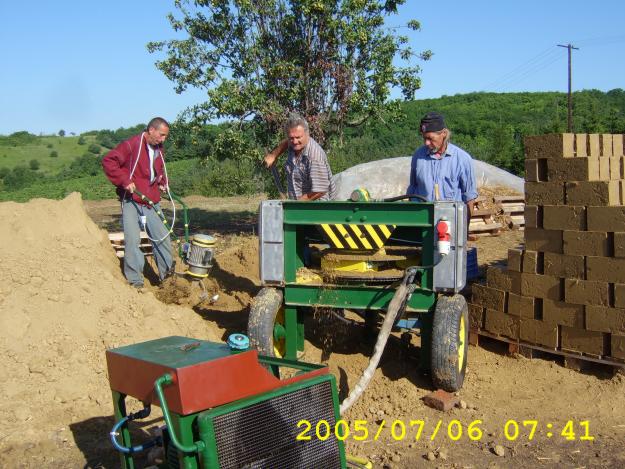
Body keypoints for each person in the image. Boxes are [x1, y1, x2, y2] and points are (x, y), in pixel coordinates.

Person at [102, 117, 174, 288]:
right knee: (132, 240)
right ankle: (136, 281)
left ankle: (168, 279)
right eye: (162, 135)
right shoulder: (131, 144)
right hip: (132, 200)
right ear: (151, 130)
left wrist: (162, 182)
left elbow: (158, 169)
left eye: (165, 136)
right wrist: (124, 180)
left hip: (152, 200)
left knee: (162, 238)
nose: (163, 139)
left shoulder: (159, 148)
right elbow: (108, 161)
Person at [407, 112, 478, 216]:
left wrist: (463, 229)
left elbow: (469, 197)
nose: (426, 143)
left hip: (450, 220)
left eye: (430, 138)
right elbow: (413, 189)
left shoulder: (462, 159)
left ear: (443, 134)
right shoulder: (418, 157)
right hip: (423, 218)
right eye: (424, 138)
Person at [264, 113, 336, 201]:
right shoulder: (293, 144)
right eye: (291, 138)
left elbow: (320, 191)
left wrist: (296, 205)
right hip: (299, 205)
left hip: (316, 208)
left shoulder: (314, 156)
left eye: (298, 137)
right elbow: (287, 142)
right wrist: (273, 155)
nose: (295, 141)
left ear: (307, 134)